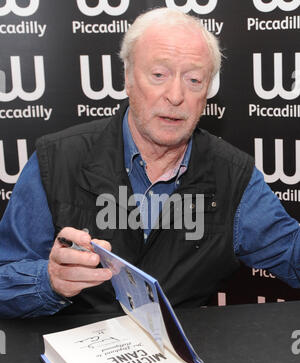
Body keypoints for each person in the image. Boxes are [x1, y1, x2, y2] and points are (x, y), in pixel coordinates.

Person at [0, 8, 299, 318]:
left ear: (208, 92)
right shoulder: (57, 159)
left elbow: (291, 253)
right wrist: (50, 281)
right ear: (128, 78)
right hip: (77, 350)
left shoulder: (233, 176)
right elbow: (3, 280)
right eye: (159, 75)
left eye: (194, 80)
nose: (175, 95)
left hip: (186, 354)